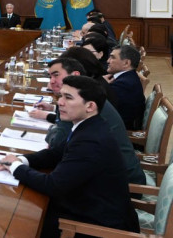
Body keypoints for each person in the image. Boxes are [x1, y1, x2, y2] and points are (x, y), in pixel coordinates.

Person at [0, 76, 139, 237]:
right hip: (86, 205)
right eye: (61, 96)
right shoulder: (89, 125)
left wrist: (15, 167)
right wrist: (21, 160)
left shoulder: (91, 140)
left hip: (98, 226)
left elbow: (53, 185)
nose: (60, 102)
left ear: (90, 106)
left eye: (68, 97)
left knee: (17, 223)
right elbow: (55, 153)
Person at [30, 58, 144, 187]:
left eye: (56, 75)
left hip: (123, 184)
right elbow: (59, 149)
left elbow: (56, 144)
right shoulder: (87, 97)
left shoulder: (84, 111)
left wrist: (52, 129)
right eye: (50, 76)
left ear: (75, 75)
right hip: (109, 174)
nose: (51, 81)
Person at [106, 45, 145, 130]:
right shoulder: (128, 77)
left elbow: (103, 108)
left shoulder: (123, 85)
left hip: (119, 132)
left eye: (112, 57)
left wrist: (102, 84)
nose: (108, 61)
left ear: (126, 63)